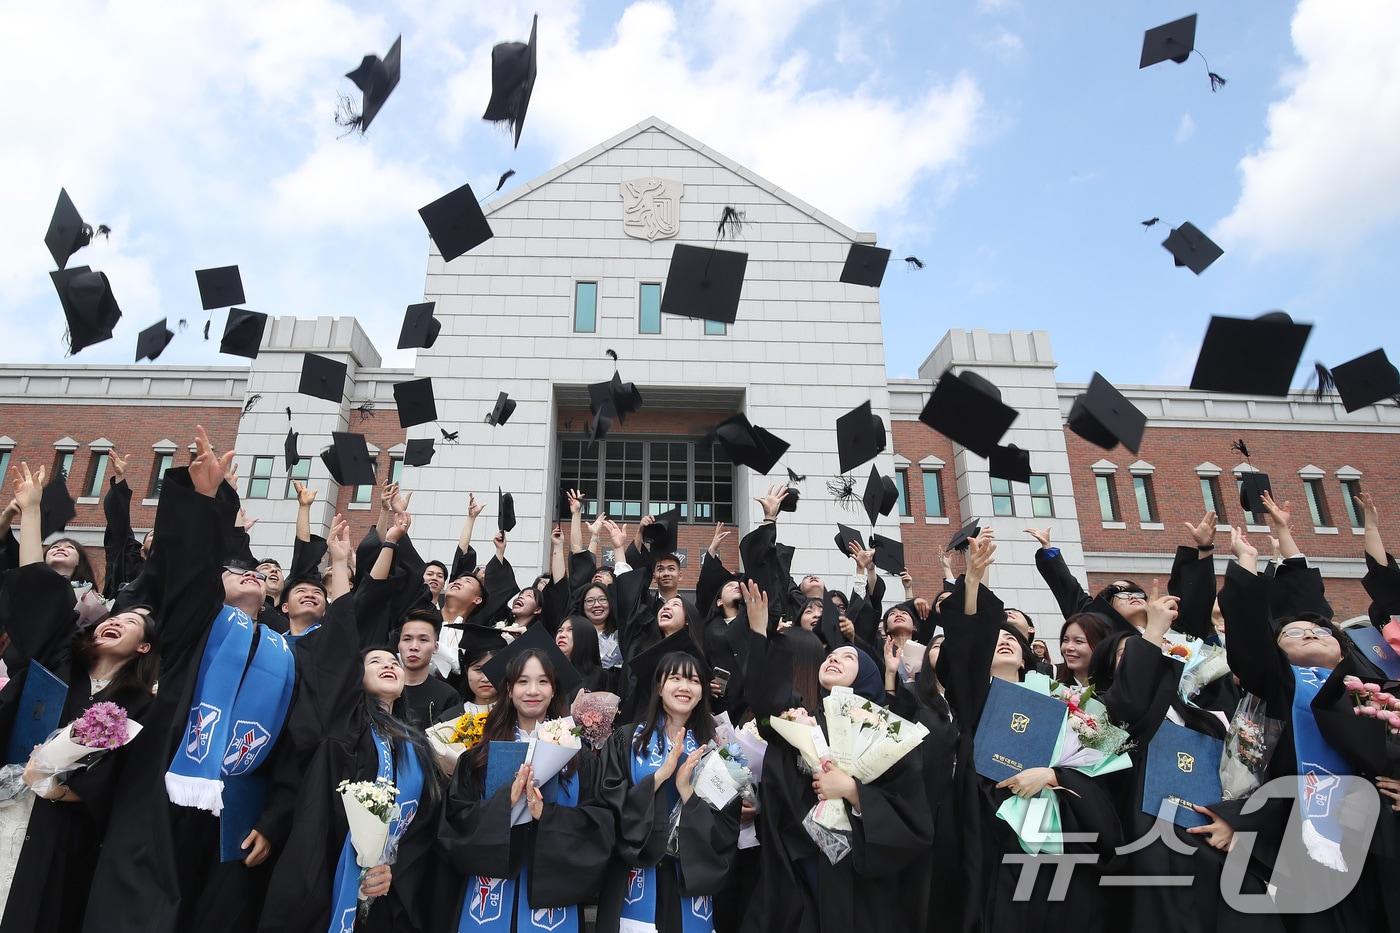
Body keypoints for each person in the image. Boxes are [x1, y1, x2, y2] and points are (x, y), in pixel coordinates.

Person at [258, 514, 441, 933]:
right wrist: (340, 567)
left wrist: (392, 864)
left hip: (390, 888)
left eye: (391, 660)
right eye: (374, 661)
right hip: (328, 865)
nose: (389, 663)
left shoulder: (415, 744)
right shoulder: (346, 721)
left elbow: (425, 822)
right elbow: (341, 640)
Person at [0, 462, 159, 933]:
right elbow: (38, 588)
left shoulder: (137, 705)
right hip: (6, 797)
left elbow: (124, 780)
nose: (118, 621)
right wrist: (30, 513)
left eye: (133, 625)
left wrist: (61, 788)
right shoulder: (58, 661)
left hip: (62, 829)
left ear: (144, 648)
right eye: (117, 617)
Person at [937, 530, 1120, 933]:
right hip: (992, 822)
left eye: (1011, 639)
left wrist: (1054, 775)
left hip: (1058, 822)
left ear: (1026, 655)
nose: (1002, 642)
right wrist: (971, 582)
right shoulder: (976, 698)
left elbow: (1101, 766)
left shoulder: (1064, 701)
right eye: (995, 638)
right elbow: (966, 641)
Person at [742, 581, 933, 933]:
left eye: (849, 657)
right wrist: (757, 630)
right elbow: (766, 697)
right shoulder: (804, 720)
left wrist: (854, 792)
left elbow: (911, 814)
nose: (834, 657)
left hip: (858, 877)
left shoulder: (886, 734)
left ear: (868, 679)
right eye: (831, 655)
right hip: (800, 868)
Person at [438, 648, 614, 932]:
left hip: (552, 895)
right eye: (522, 681)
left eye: (543, 681)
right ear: (508, 690)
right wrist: (503, 805)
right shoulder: (477, 759)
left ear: (554, 689)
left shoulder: (580, 761)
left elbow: (600, 828)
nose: (533, 690)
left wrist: (547, 815)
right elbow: (454, 825)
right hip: (489, 896)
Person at [597, 649, 739, 933]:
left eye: (694, 680)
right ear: (659, 687)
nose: (685, 687)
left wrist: (686, 790)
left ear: (702, 692)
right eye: (675, 678)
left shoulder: (716, 750)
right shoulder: (627, 739)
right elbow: (607, 807)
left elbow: (726, 827)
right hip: (634, 872)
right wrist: (660, 776)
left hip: (685, 877)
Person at [396, 609, 462, 729]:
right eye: (407, 639)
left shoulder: (448, 695)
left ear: (436, 647)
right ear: (398, 644)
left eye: (423, 640)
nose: (414, 647)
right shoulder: (384, 687)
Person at [555, 615, 612, 696]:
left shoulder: (600, 677)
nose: (562, 635)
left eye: (570, 630)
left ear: (585, 636)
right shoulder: (548, 670)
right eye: (560, 630)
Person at [1056, 612, 1112, 687]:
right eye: (1065, 640)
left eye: (1079, 641)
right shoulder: (1050, 676)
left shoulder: (1117, 687)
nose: (1068, 647)